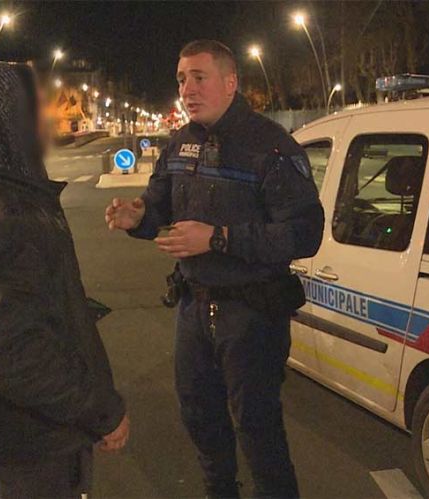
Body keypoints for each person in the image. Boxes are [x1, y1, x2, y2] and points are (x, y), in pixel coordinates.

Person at [105, 40, 323, 498]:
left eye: (199, 77)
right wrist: (137, 216)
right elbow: (158, 205)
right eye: (182, 78)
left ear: (230, 82)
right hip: (193, 306)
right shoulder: (180, 144)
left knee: (258, 429)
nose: (187, 88)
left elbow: (303, 235)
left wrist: (219, 237)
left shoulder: (272, 148)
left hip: (252, 313)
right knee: (200, 419)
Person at [0, 63, 129, 498]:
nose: (50, 119)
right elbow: (13, 359)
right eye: (37, 109)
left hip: (6, 440)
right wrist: (105, 412)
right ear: (10, 122)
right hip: (40, 445)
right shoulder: (13, 215)